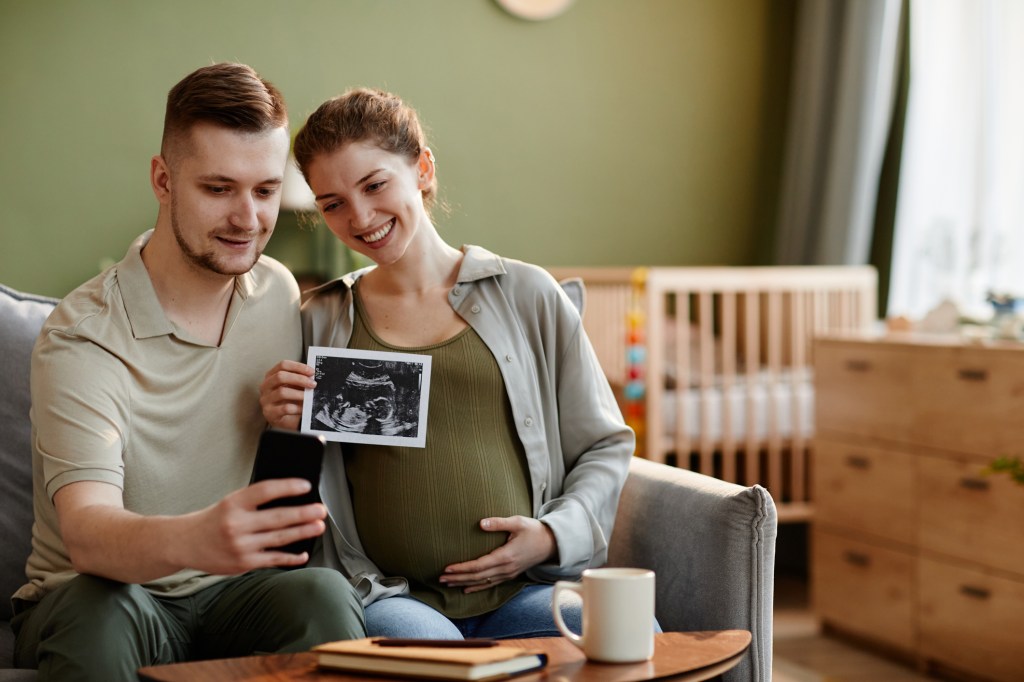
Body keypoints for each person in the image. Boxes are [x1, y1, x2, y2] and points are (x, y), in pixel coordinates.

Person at [11, 63, 365, 679]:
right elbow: (89, 534)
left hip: (235, 596)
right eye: (219, 188)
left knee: (323, 594)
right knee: (98, 611)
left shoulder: (279, 292)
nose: (248, 220)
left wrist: (295, 418)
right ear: (163, 179)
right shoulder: (82, 334)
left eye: (264, 190)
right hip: (105, 594)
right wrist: (198, 538)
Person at [259, 87, 636, 639]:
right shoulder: (317, 318)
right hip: (393, 597)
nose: (360, 216)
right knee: (432, 659)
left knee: (630, 633)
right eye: (333, 202)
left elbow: (604, 444)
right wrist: (282, 426)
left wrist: (553, 535)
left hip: (529, 588)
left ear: (423, 170)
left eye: (375, 184)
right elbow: (288, 490)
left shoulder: (528, 294)